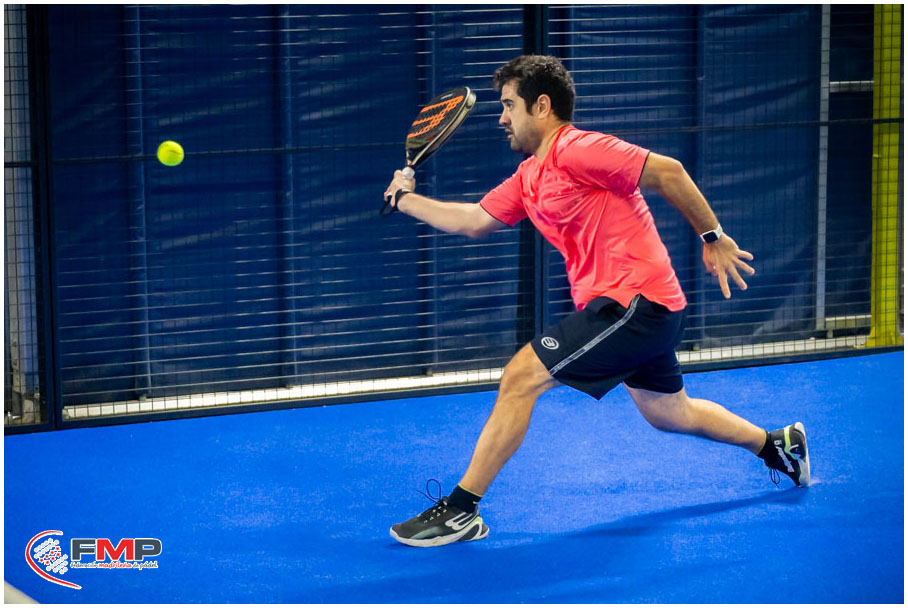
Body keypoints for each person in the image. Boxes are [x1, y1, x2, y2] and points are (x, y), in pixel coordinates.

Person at [382, 55, 810, 548]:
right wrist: (405, 199)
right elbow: (474, 220)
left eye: (509, 105)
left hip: (636, 303)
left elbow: (668, 172)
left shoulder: (578, 148)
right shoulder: (529, 176)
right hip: (644, 310)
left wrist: (712, 236)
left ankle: (461, 511)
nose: (502, 118)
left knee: (521, 377)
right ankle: (777, 445)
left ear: (542, 106)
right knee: (670, 413)